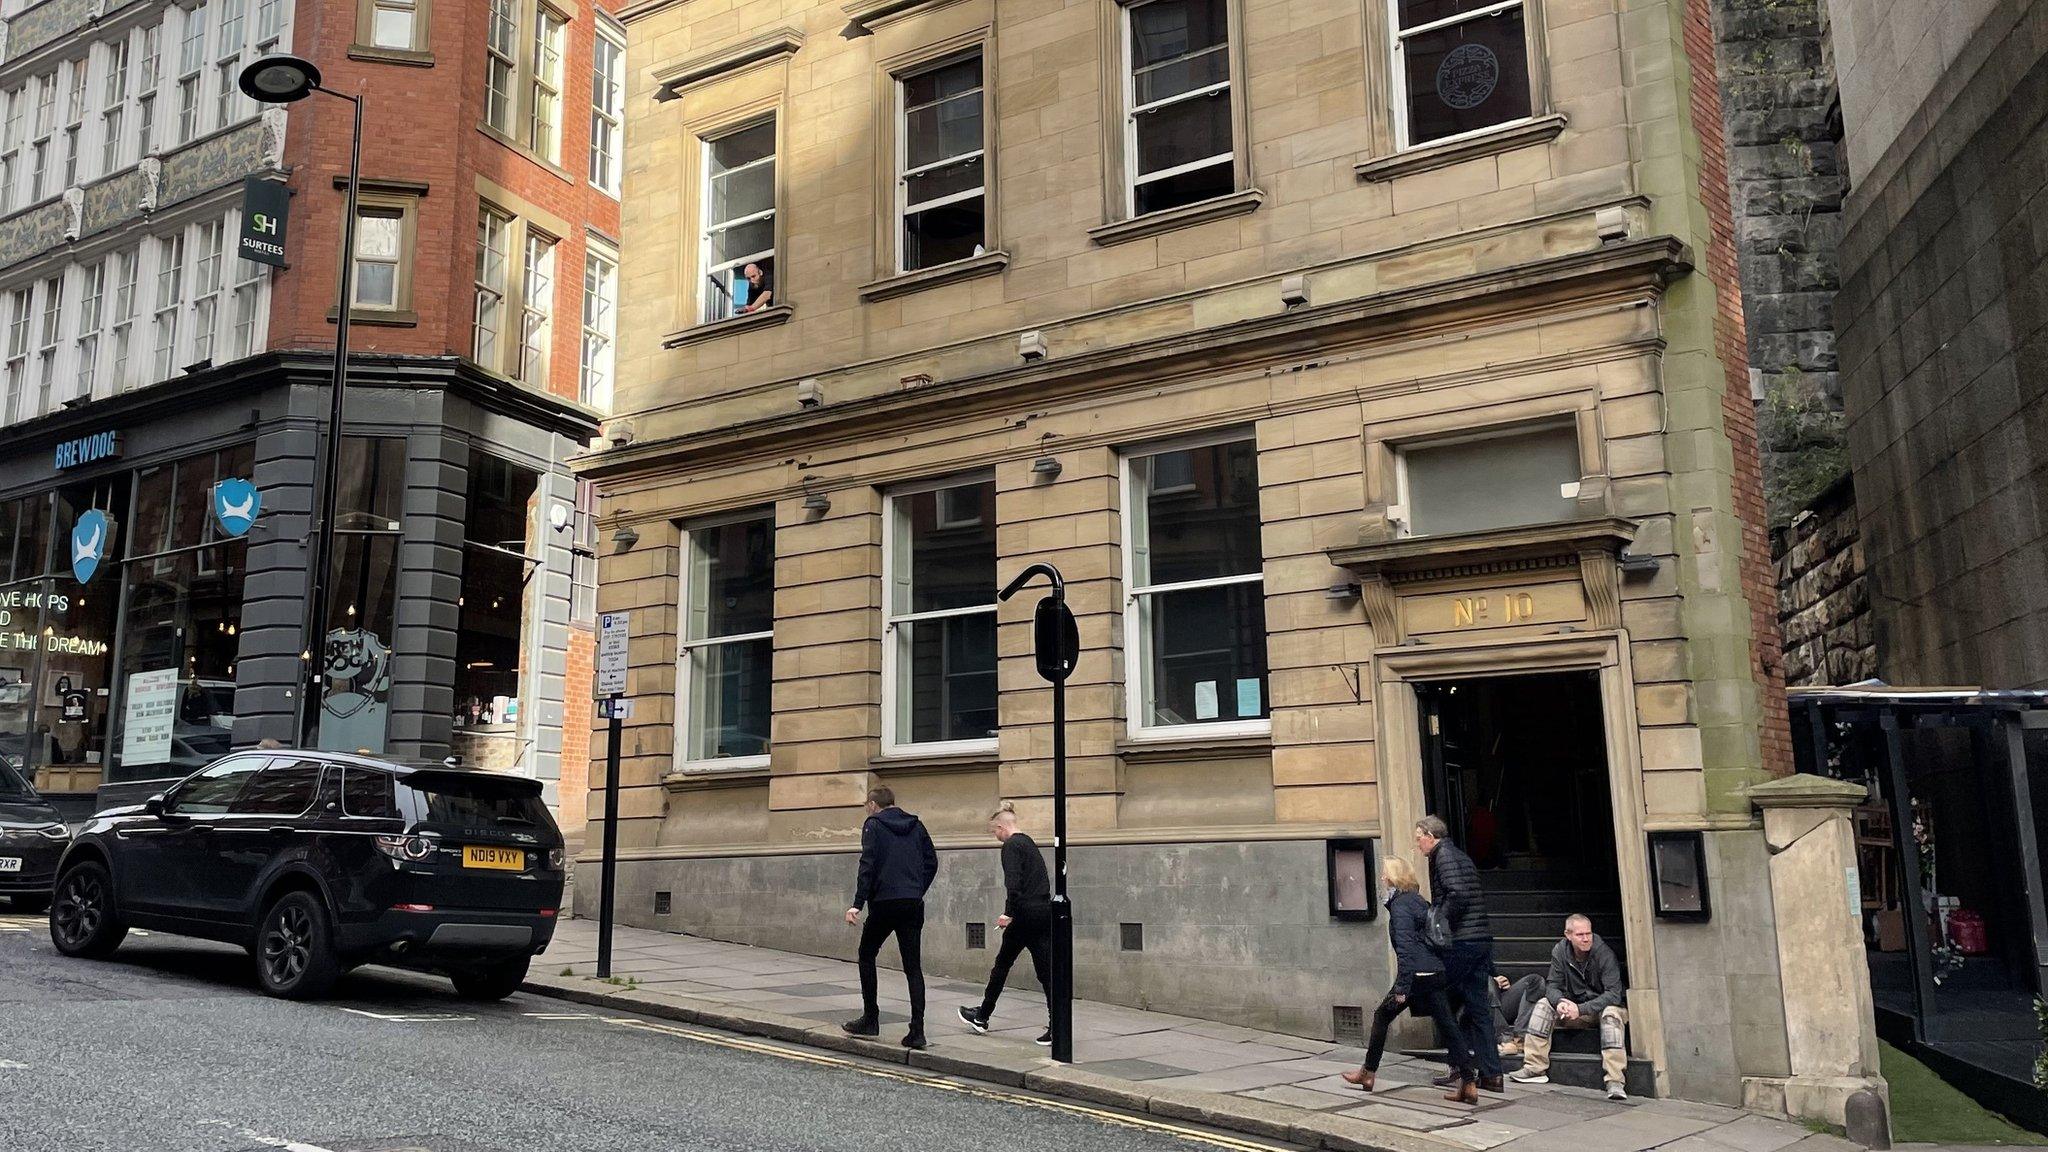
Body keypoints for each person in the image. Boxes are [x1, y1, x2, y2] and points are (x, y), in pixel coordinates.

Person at [1341, 857, 1474, 1099]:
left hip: (1416, 976)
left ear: (1394, 877)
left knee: (1382, 1016)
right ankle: (1468, 1082)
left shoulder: (1401, 906)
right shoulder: (1419, 902)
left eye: (1385, 874)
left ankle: (1368, 1072)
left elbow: (1405, 948)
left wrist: (1402, 987)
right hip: (1434, 973)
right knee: (1448, 1025)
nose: (1382, 878)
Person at [842, 786, 939, 1049]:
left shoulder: (873, 825)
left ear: (873, 804)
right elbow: (932, 861)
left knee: (866, 954)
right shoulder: (916, 825)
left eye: (866, 805)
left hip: (884, 902)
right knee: (913, 966)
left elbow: (868, 864)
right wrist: (917, 889)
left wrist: (857, 904)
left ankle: (871, 1019)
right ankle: (917, 1031)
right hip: (911, 902)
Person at [1416, 814, 1503, 1096]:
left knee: (1439, 996)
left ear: (1430, 836)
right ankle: (1492, 1075)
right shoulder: (1459, 855)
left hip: (1463, 942)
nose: (1418, 845)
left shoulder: (1444, 856)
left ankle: (1460, 1069)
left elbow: (1457, 895)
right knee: (1478, 1010)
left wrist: (1438, 920)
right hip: (1479, 941)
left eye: (1419, 839)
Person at [957, 801, 1054, 1047]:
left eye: (994, 831)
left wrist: (1008, 913)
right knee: (1046, 970)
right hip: (1043, 911)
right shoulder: (1028, 842)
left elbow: (1013, 882)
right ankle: (1058, 1024)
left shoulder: (1011, 846)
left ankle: (982, 1016)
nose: (995, 837)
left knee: (1002, 965)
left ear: (1002, 827)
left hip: (1023, 915)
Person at [1509, 914, 1630, 1100]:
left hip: (1601, 1008)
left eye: (1588, 933)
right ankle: (1534, 1068)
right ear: (1568, 935)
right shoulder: (1560, 951)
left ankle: (1615, 1080)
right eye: (1580, 934)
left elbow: (1613, 994)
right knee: (1543, 1004)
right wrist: (1560, 1002)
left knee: (1611, 1015)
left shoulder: (1603, 953)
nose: (1586, 938)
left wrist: (1581, 1009)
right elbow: (1552, 985)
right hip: (1574, 1007)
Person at [1494, 971, 1549, 1057]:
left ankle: (1520, 1038)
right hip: (1476, 1007)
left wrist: (1500, 981)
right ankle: (1505, 1039)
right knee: (1483, 982)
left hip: (1499, 1000)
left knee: (1535, 980)